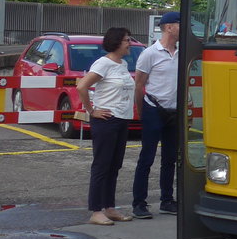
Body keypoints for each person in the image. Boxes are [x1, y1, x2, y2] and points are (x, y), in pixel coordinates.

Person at [76, 27, 137, 226]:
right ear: (116, 42)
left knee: (114, 166)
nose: (130, 43)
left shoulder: (123, 63)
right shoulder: (103, 63)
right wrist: (91, 110)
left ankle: (109, 207)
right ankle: (96, 210)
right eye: (127, 40)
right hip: (106, 120)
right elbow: (82, 86)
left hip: (122, 119)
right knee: (101, 166)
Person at [132, 12, 181, 218]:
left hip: (175, 110)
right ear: (169, 27)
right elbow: (139, 84)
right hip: (154, 107)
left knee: (170, 158)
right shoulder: (150, 53)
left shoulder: (181, 52)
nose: (183, 28)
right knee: (147, 157)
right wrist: (142, 111)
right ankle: (139, 203)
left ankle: (167, 200)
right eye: (180, 24)